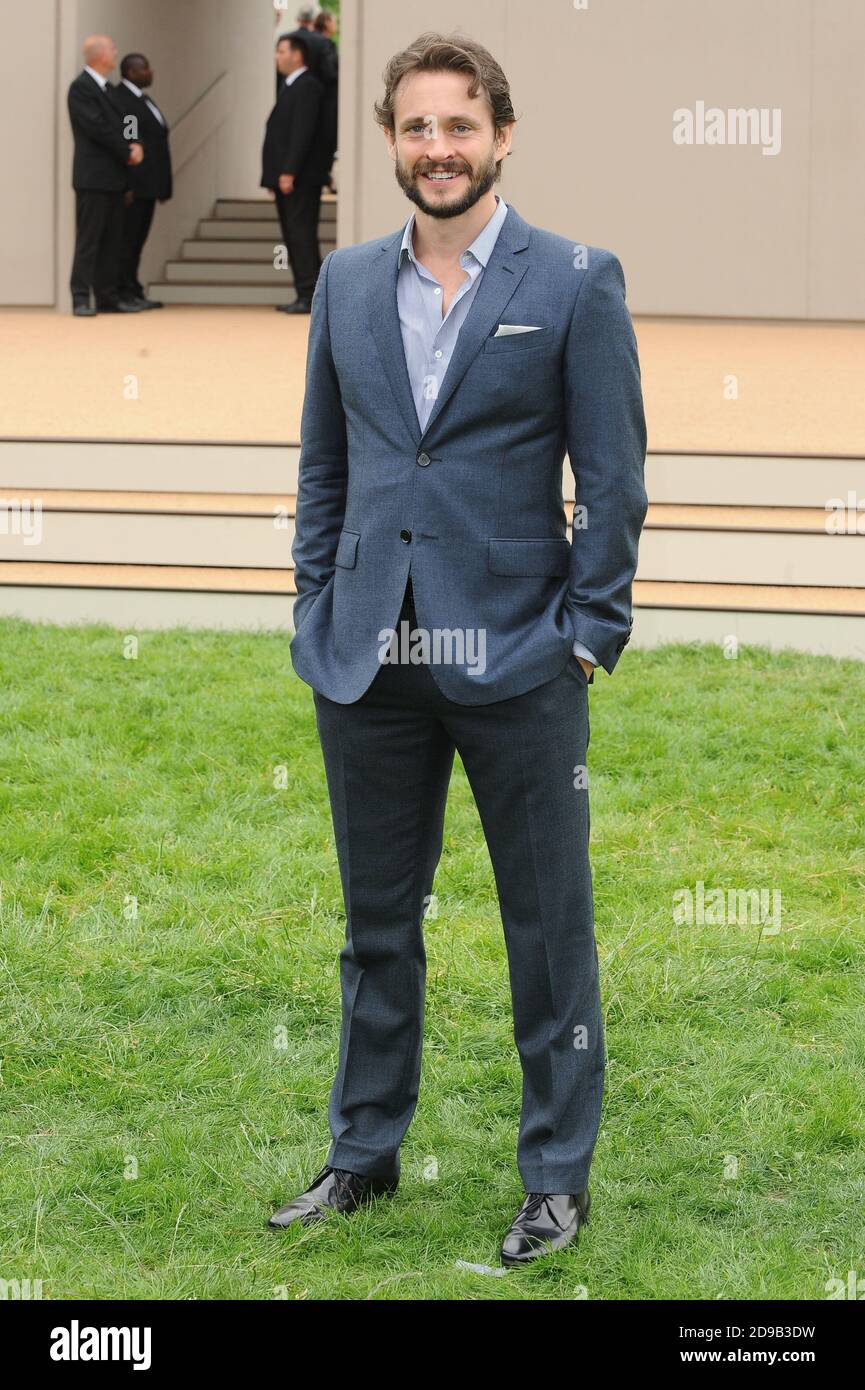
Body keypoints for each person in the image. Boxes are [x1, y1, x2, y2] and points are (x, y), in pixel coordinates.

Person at [270, 33, 649, 1266]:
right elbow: (326, 465)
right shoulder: (344, 283)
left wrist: (586, 635)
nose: (439, 150)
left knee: (548, 928)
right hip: (367, 661)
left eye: (460, 126)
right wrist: (316, 600)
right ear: (389, 139)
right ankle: (363, 1152)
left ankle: (554, 1177)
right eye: (417, 128)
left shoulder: (574, 280)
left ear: (501, 135)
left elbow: (615, 475)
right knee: (378, 924)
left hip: (519, 660)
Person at [67, 35, 145, 315]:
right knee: (89, 239)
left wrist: (134, 142)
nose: (115, 54)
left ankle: (107, 297)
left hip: (114, 177)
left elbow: (129, 119)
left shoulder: (109, 90)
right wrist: (127, 151)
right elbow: (97, 127)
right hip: (93, 177)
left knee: (112, 240)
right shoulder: (81, 88)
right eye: (112, 50)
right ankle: (80, 297)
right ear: (100, 56)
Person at [261, 34, 332, 314]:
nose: (277, 57)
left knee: (301, 234)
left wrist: (288, 171)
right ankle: (305, 292)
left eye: (281, 51)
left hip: (299, 178)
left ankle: (309, 294)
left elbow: (302, 132)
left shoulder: (307, 86)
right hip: (288, 177)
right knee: (293, 234)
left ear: (297, 55)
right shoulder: (291, 86)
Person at [109, 53, 172, 309]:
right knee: (128, 240)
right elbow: (131, 140)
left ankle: (132, 287)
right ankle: (123, 290)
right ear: (132, 71)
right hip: (136, 185)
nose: (150, 71)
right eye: (145, 68)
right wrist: (130, 184)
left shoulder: (141, 98)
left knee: (137, 241)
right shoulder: (123, 99)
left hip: (149, 185)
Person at [313, 8, 339, 191]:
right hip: (328, 102)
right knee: (328, 140)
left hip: (316, 102)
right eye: (333, 20)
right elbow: (331, 73)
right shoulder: (326, 45)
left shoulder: (311, 43)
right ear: (327, 23)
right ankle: (325, 177)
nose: (335, 24)